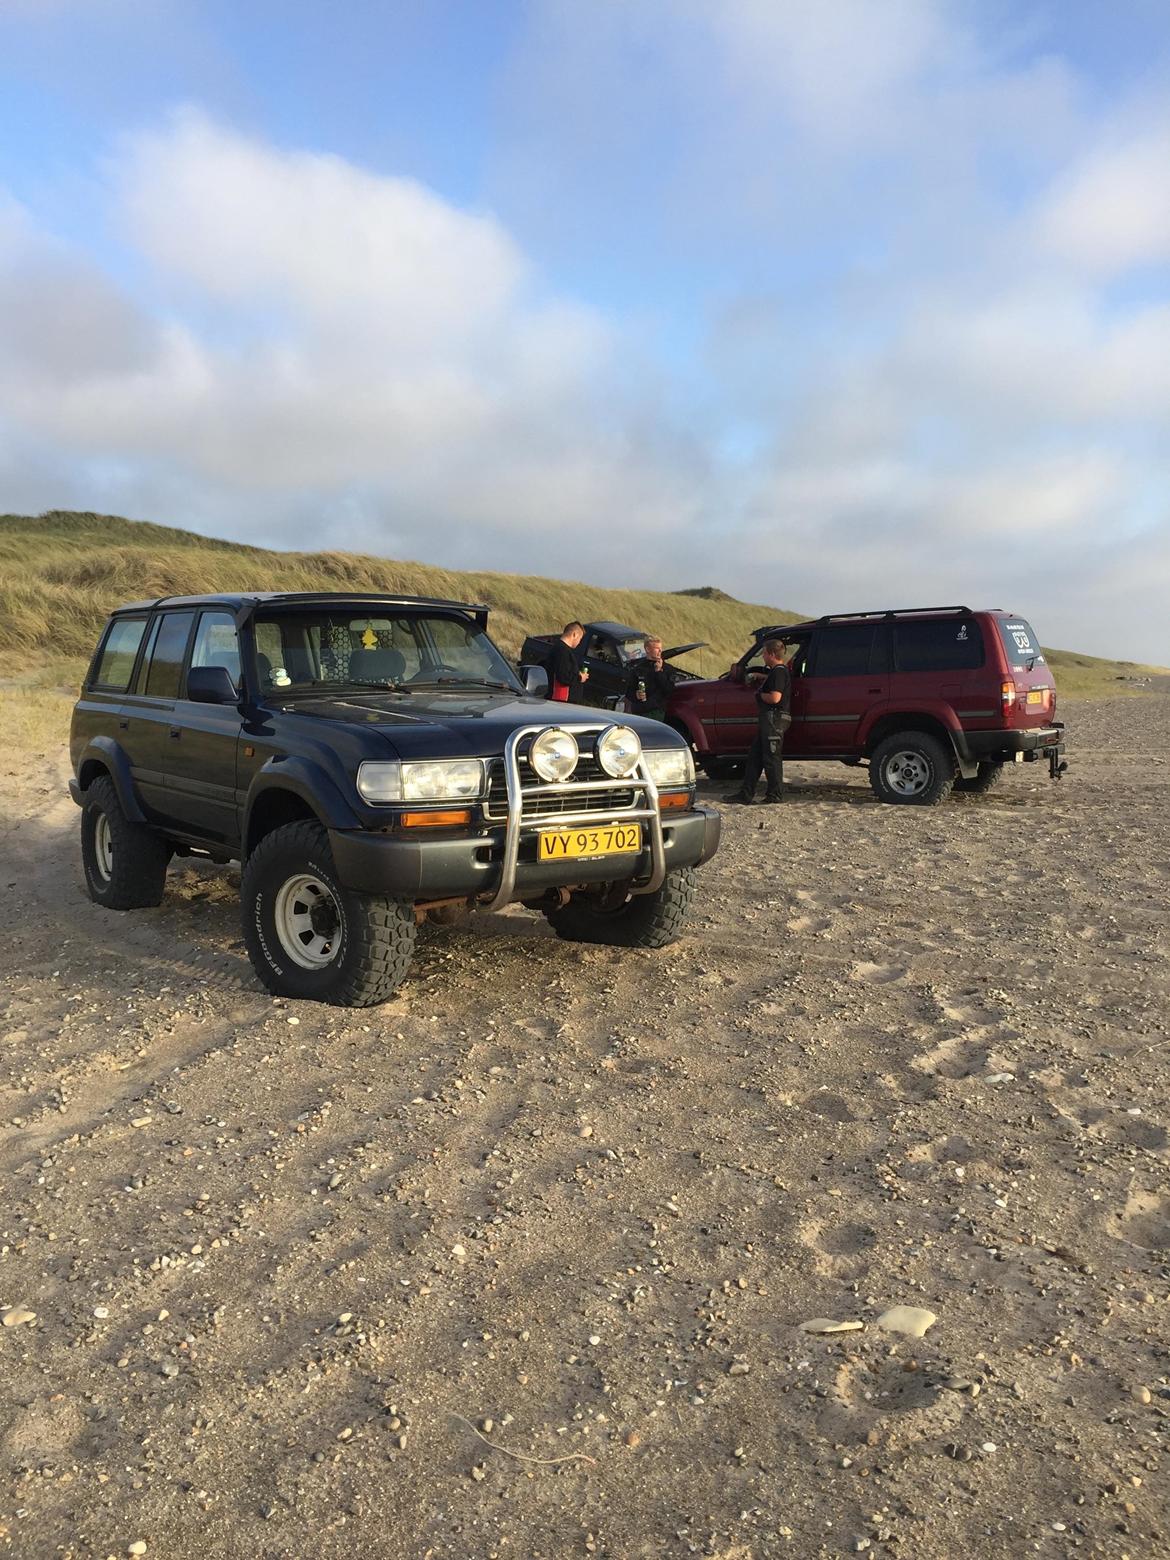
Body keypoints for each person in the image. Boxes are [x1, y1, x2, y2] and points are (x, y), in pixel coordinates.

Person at [725, 639, 791, 804]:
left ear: (770, 654)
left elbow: (775, 697)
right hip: (769, 720)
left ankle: (775, 795)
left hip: (773, 719)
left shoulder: (779, 672)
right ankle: (745, 793)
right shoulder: (777, 672)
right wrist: (759, 676)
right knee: (755, 757)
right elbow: (773, 680)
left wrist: (759, 695)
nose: (762, 657)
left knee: (771, 758)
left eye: (763, 653)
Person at [625, 635, 673, 722]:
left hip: (656, 712)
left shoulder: (667, 669)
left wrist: (658, 672)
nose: (660, 651)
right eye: (657, 648)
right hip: (638, 710)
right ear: (647, 649)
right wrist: (635, 695)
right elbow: (628, 692)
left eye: (661, 648)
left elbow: (669, 690)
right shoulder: (638, 668)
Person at [548, 621, 589, 703]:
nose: (579, 642)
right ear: (574, 635)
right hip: (561, 700)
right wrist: (580, 677)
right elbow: (563, 676)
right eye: (580, 639)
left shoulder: (562, 649)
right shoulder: (562, 651)